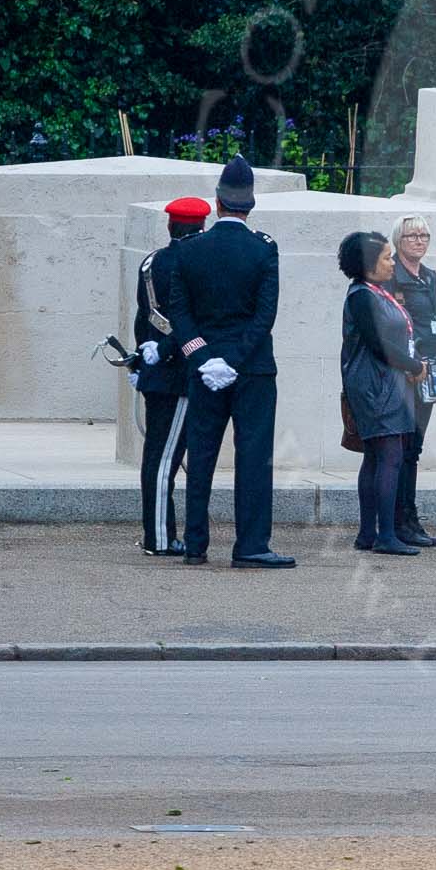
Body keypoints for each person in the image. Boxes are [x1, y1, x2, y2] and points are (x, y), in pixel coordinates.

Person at [167, 157, 293, 569]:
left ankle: (196, 543)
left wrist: (204, 358)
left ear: (217, 202)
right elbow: (265, 315)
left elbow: (180, 316)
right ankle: (251, 544)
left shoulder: (188, 251)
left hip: (204, 371)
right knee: (253, 456)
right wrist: (235, 360)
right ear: (249, 206)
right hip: (252, 368)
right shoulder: (264, 250)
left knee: (201, 456)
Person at [131, 195, 209, 556]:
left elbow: (142, 317)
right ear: (202, 227)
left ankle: (158, 532)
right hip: (178, 370)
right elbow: (192, 321)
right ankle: (159, 537)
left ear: (170, 226)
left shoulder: (151, 263)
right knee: (163, 461)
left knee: (157, 456)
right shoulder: (196, 263)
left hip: (155, 368)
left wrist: (143, 359)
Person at [339, 230, 425, 557]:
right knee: (390, 456)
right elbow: (378, 343)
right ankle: (386, 534)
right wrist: (412, 365)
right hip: (376, 384)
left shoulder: (375, 292)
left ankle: (368, 532)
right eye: (386, 257)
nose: (391, 263)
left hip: (385, 382)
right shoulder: (362, 296)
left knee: (376, 457)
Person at [387, 214, 436, 547]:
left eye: (424, 235)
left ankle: (410, 518)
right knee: (403, 447)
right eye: (412, 235)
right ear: (398, 239)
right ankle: (399, 521)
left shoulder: (427, 277)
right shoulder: (393, 276)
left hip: (431, 370)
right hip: (407, 371)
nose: (419, 240)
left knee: (415, 448)